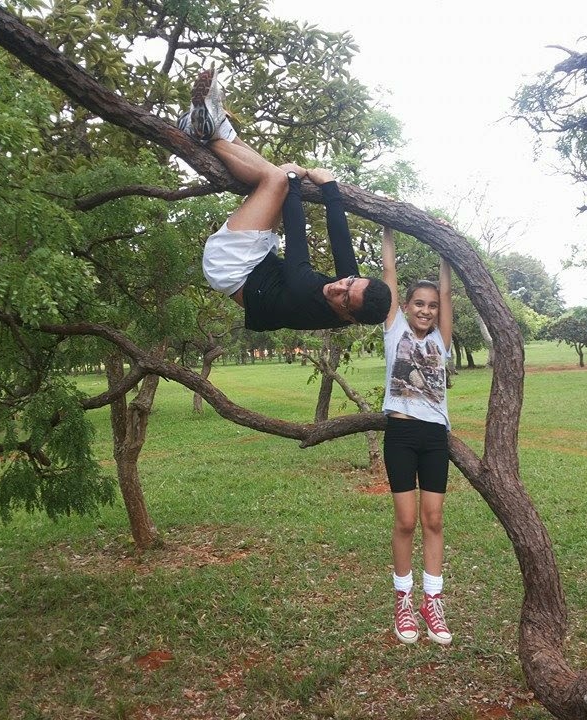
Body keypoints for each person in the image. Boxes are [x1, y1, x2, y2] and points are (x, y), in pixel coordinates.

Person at [176, 67, 392, 331]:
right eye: (348, 282)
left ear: (350, 318)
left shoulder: (305, 297)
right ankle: (221, 129)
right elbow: (341, 241)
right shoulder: (355, 291)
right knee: (281, 172)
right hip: (259, 261)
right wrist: (330, 189)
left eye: (345, 298)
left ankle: (202, 135)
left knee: (278, 179)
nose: (338, 287)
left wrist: (292, 180)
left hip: (231, 266)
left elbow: (297, 237)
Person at [380, 226, 454, 645]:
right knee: (406, 521)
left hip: (434, 439)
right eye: (418, 304)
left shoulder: (442, 340)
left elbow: (447, 287)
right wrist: (388, 226)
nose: (425, 310)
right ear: (405, 306)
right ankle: (403, 601)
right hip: (401, 436)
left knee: (434, 519)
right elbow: (388, 271)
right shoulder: (395, 331)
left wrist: (444, 251)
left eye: (432, 306)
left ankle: (433, 601)